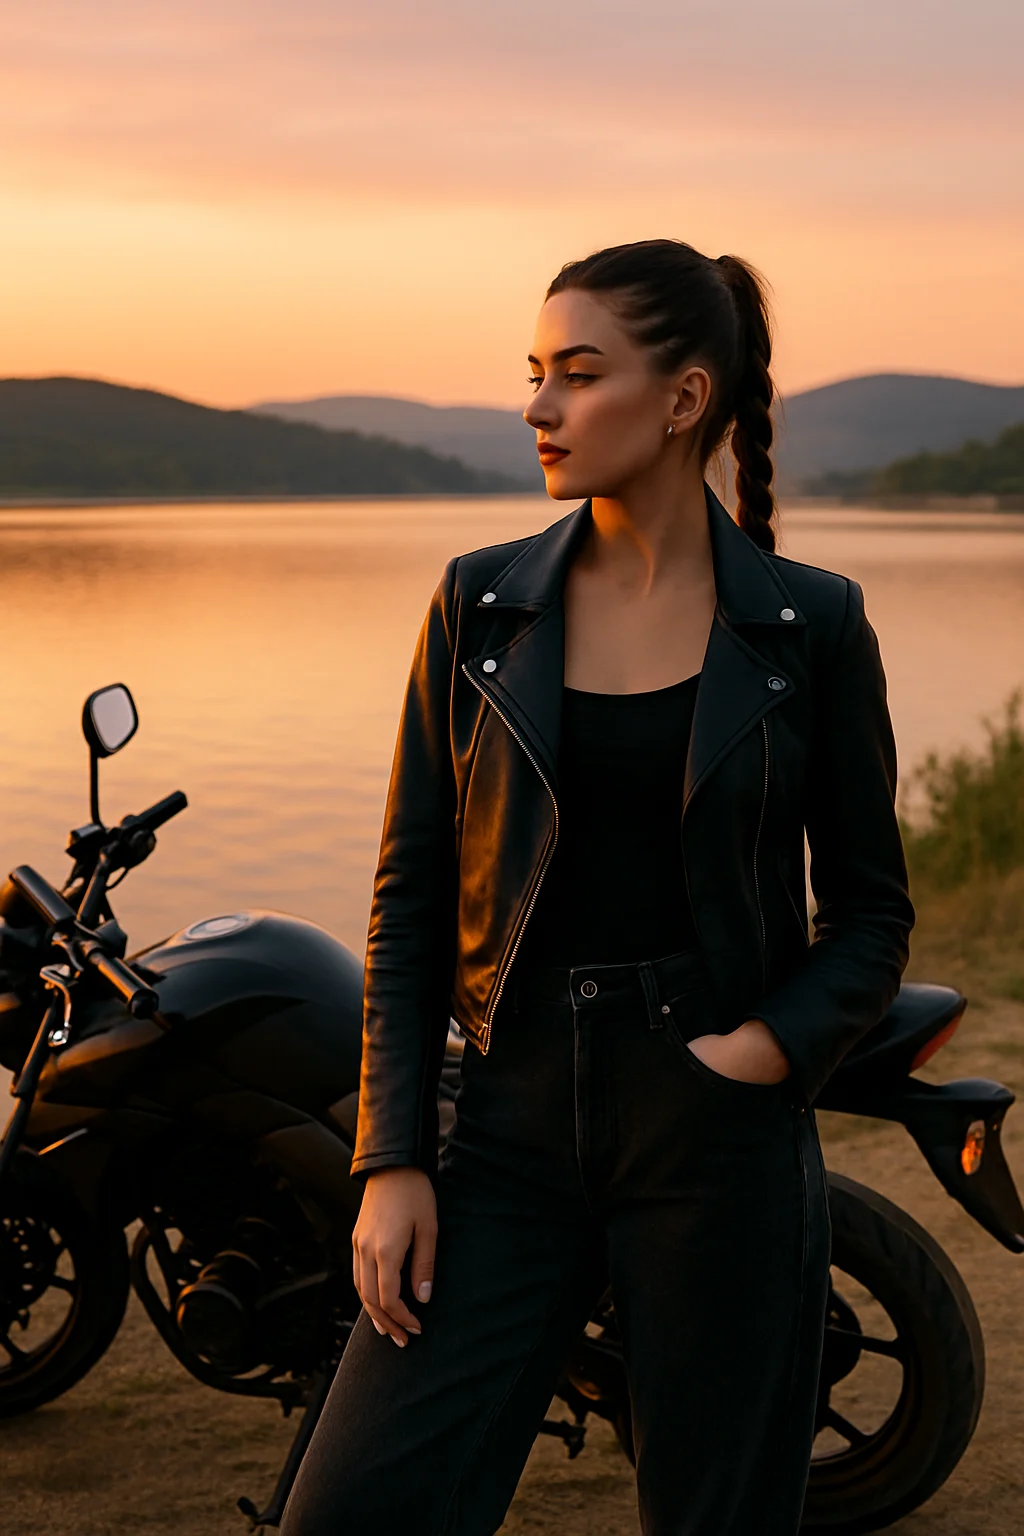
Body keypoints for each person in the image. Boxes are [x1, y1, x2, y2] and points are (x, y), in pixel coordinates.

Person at [280, 239, 914, 1535]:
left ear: (683, 399)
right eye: (535, 372)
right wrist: (391, 1157)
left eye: (578, 373)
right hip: (503, 1123)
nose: (539, 407)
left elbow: (870, 917)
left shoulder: (813, 626)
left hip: (715, 1136)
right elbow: (411, 900)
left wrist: (761, 1054)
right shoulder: (480, 606)